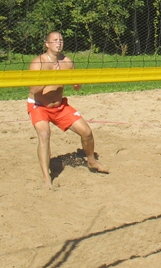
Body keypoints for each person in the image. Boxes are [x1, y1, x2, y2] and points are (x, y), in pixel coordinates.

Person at [28, 31, 108, 189]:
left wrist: (77, 81)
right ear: (47, 44)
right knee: (44, 134)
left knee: (87, 132)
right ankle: (46, 178)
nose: (59, 43)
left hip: (59, 106)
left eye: (61, 40)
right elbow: (33, 89)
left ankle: (91, 161)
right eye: (55, 40)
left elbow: (77, 87)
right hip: (39, 106)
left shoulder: (68, 62)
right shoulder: (38, 63)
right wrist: (51, 77)